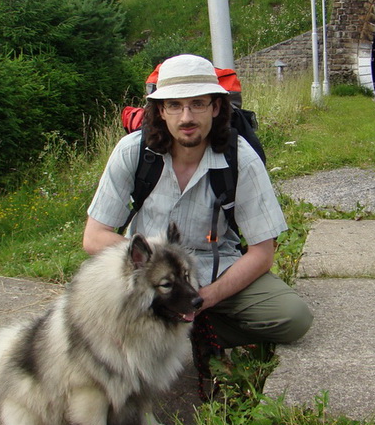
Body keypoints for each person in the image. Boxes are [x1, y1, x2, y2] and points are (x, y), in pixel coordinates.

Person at [83, 54, 312, 349]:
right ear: (161, 111)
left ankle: (196, 334)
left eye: (198, 104)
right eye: (175, 105)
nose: (187, 117)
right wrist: (154, 262)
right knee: (90, 319)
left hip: (218, 270)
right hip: (151, 277)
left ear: (216, 107)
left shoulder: (240, 158)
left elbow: (261, 253)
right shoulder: (133, 152)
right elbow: (94, 237)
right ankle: (168, 329)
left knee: (292, 318)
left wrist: (207, 298)